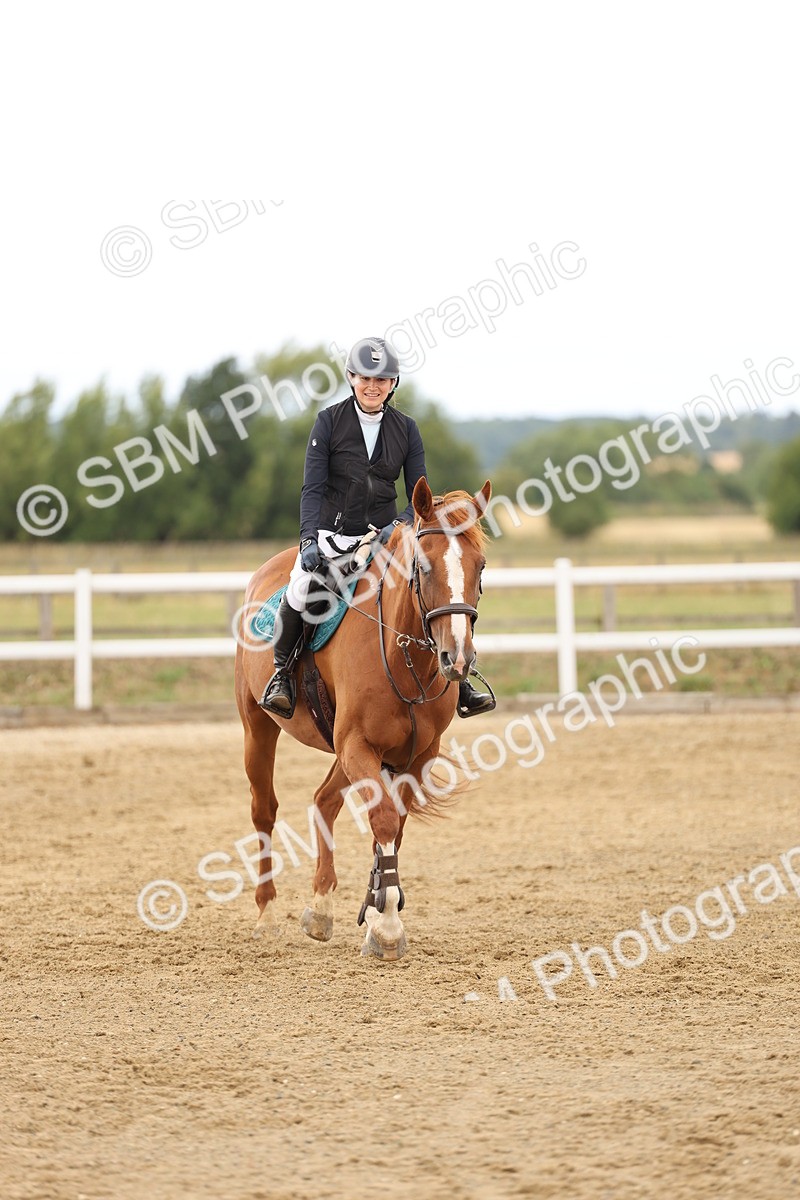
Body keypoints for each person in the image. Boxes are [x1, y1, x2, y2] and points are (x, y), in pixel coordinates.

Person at [259, 336, 494, 719]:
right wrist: (307, 540)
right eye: (365, 378)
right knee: (301, 589)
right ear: (351, 377)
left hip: (387, 536)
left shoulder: (407, 429)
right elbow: (312, 488)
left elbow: (419, 495)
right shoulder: (329, 422)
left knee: (428, 589)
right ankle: (281, 676)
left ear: (392, 384)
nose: (373, 386)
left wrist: (399, 527)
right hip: (333, 536)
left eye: (382, 380)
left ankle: (461, 680)